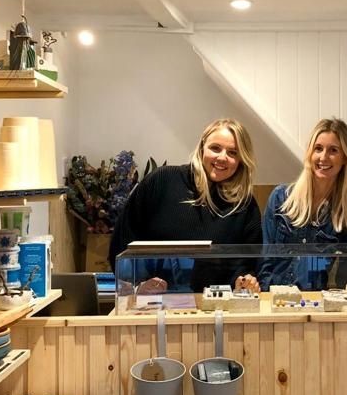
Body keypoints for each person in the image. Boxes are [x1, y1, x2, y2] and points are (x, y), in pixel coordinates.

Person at [108, 118, 262, 291]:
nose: (222, 157)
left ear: (242, 159)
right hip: (152, 304)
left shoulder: (244, 204)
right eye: (215, 148)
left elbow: (247, 264)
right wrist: (138, 285)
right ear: (202, 147)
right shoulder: (161, 181)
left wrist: (243, 282)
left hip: (216, 310)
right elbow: (122, 244)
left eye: (233, 153)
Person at [261, 118, 347, 289]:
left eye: (333, 150)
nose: (323, 157)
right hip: (273, 299)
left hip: (315, 305)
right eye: (318, 149)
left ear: (345, 158)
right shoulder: (280, 199)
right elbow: (265, 261)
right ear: (309, 154)